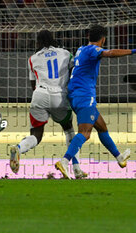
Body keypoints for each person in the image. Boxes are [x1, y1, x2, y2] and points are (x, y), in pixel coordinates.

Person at [55, 25, 134, 179]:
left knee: (102, 127)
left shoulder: (80, 49)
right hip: (84, 95)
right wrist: (133, 51)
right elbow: (110, 53)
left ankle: (119, 157)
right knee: (85, 133)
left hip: (75, 94)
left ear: (88, 37)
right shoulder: (93, 50)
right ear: (103, 39)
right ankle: (64, 161)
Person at [9, 30, 87, 179]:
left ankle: (19, 148)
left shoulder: (32, 59)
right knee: (69, 129)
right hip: (60, 96)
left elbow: (34, 84)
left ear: (38, 42)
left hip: (39, 96)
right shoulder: (65, 53)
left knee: (36, 135)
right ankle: (77, 169)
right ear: (53, 39)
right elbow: (74, 74)